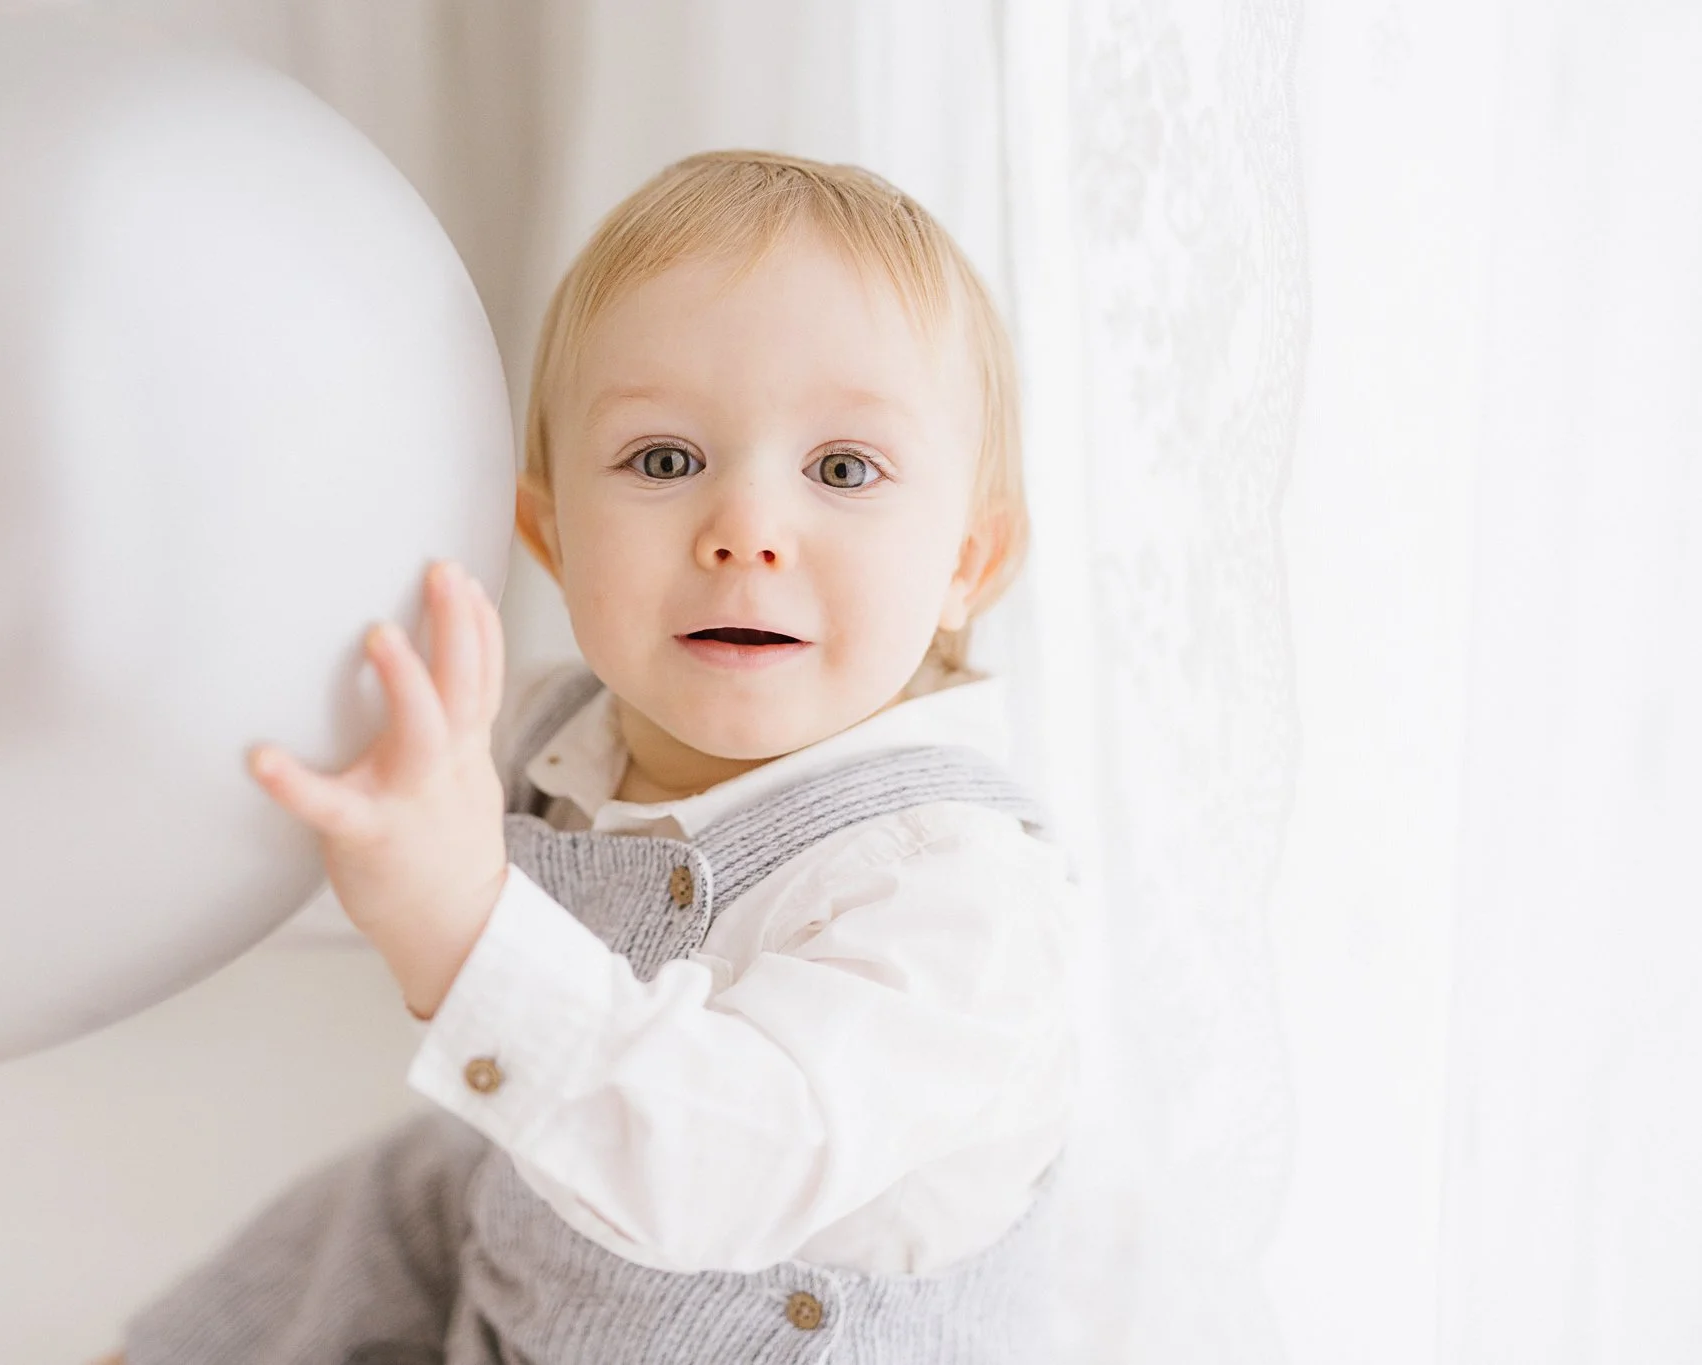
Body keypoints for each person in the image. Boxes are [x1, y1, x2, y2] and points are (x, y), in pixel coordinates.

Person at [106, 149, 1079, 1365]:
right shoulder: (558, 736)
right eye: (665, 461)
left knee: (477, 1138)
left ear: (966, 566)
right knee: (420, 1185)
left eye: (842, 470)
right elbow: (371, 850)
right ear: (550, 531)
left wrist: (461, 926)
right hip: (531, 1308)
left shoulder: (952, 894)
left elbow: (719, 1170)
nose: (745, 535)